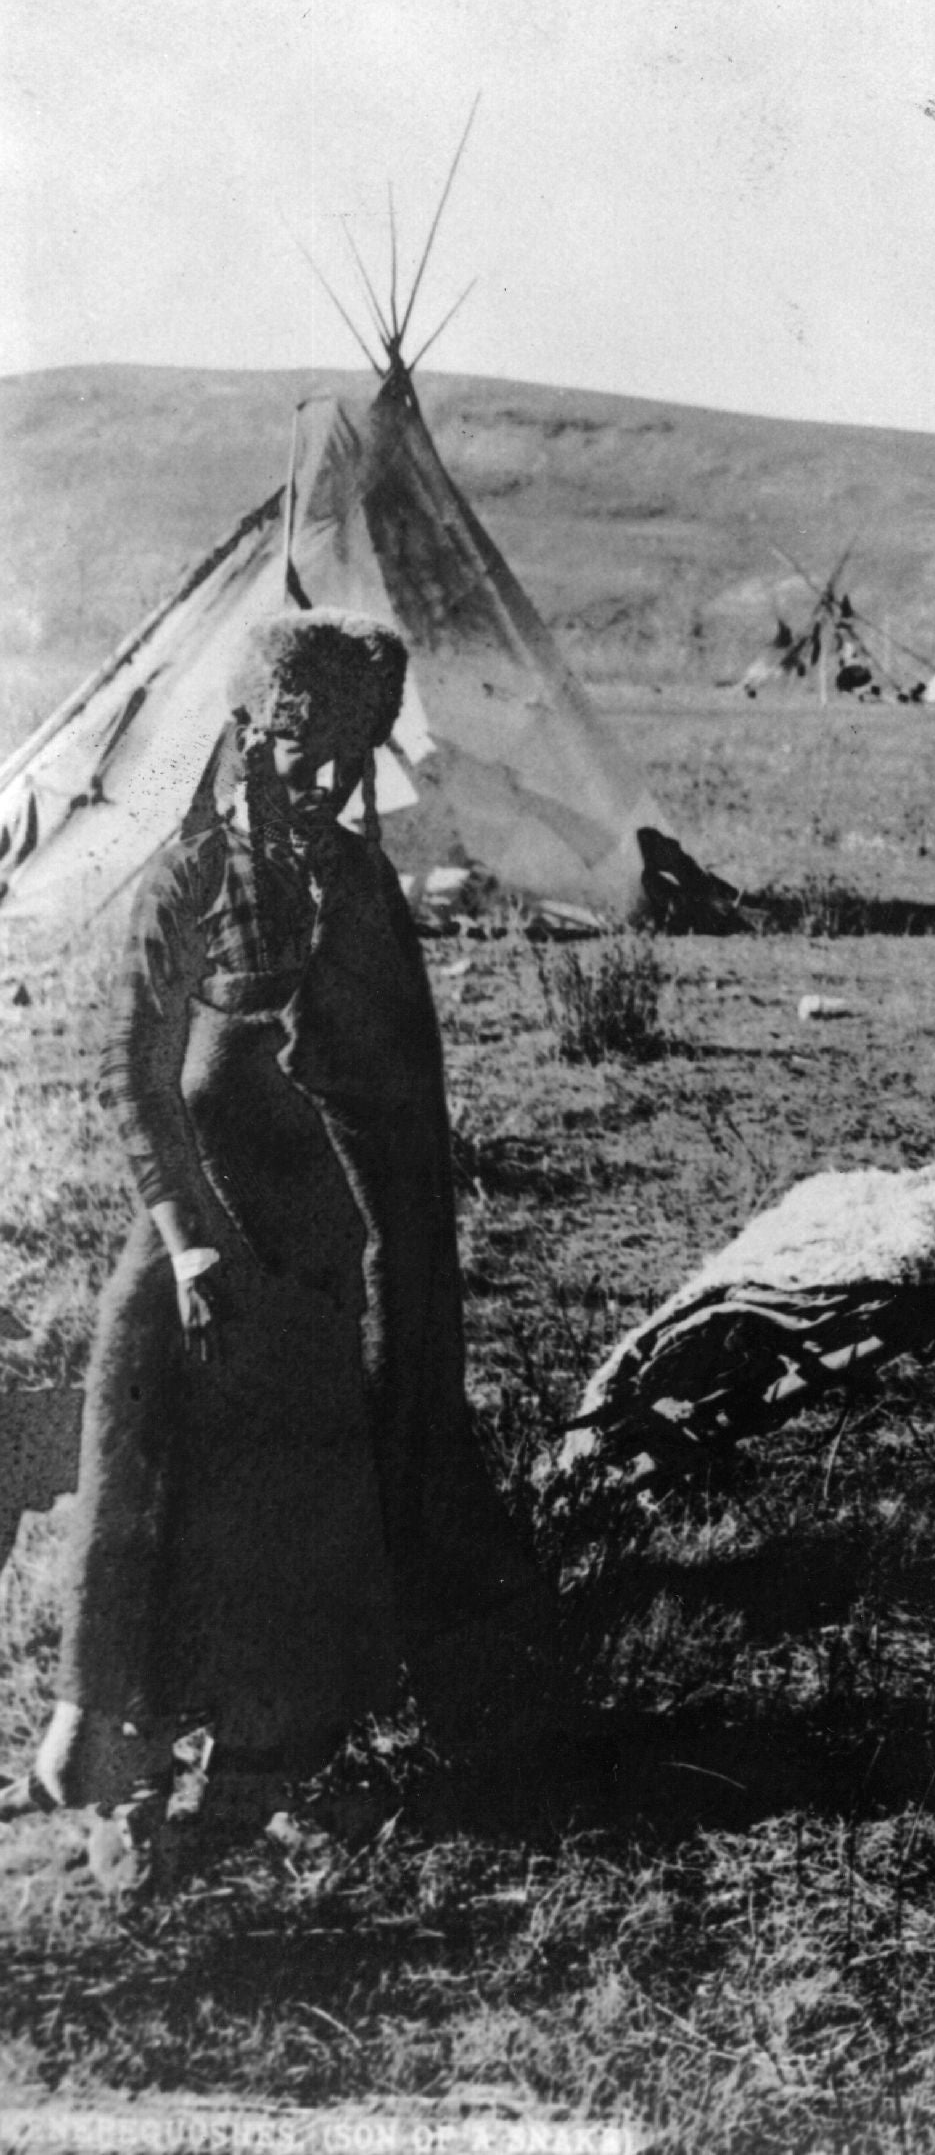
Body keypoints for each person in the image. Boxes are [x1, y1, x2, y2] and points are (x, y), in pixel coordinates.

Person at [0, 610, 554, 1886]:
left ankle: (272, 1744)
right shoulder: (192, 877)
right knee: (140, 1432)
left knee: (299, 1487)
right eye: (303, 751)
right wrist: (186, 1245)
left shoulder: (358, 884)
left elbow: (392, 1090)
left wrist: (383, 1259)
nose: (324, 780)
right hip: (198, 1227)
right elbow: (135, 1074)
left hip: (317, 1247)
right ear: (253, 736)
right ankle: (117, 1739)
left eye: (349, 757)